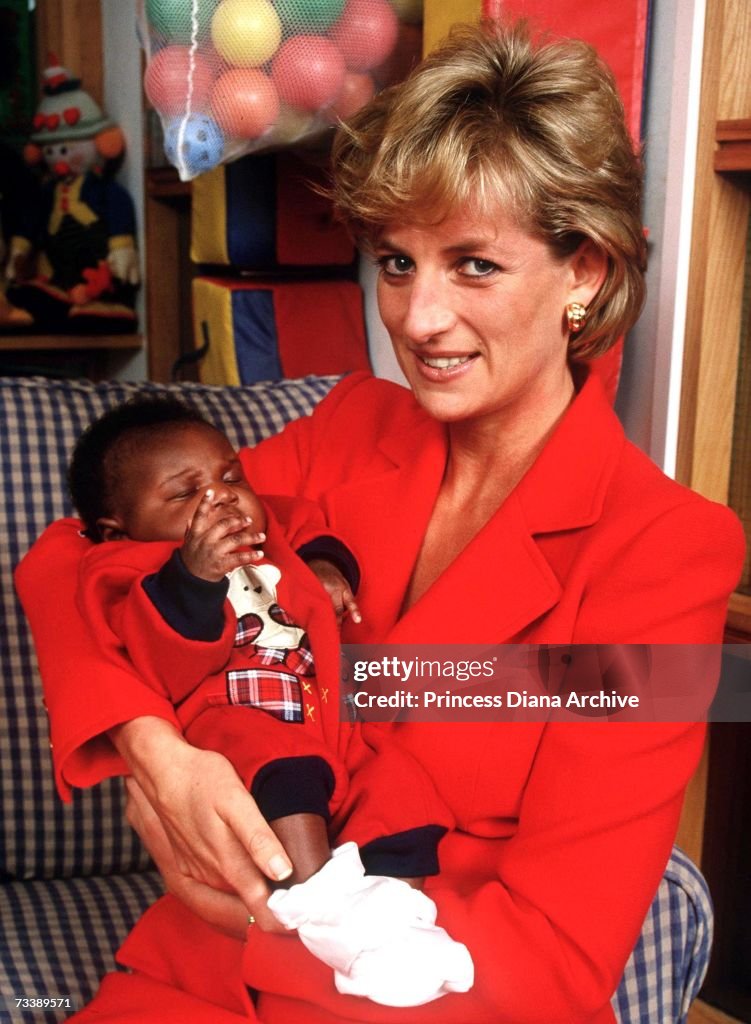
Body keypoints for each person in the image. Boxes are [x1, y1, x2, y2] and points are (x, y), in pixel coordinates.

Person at [15, 18, 745, 1024]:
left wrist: (245, 917)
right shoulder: (350, 428)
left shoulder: (667, 554)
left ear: (584, 271)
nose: (419, 318)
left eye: (474, 265)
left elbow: (554, 963)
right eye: (397, 262)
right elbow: (71, 558)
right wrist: (153, 748)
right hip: (177, 987)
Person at [64, 394, 472, 1005]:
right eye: (184, 495)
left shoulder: (267, 529)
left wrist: (327, 569)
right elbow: (156, 660)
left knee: (398, 783)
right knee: (283, 764)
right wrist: (192, 580)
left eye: (231, 477)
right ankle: (318, 901)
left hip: (323, 719)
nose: (219, 498)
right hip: (231, 722)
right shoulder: (126, 572)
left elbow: (311, 528)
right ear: (116, 532)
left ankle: (396, 920)